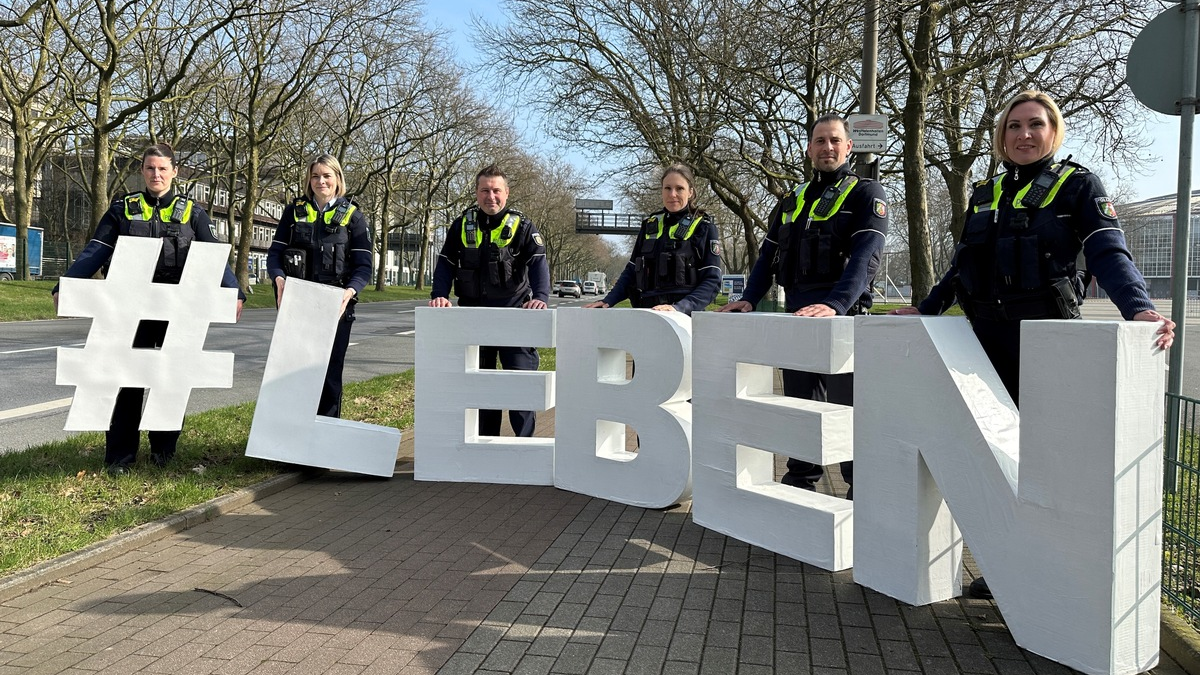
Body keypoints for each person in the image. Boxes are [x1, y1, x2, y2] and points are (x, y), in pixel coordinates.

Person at [891, 90, 1175, 599]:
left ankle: (1043, 576)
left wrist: (1138, 307)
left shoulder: (1078, 186)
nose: (1024, 134)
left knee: (1042, 465)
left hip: (1047, 341)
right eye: (1014, 126)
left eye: (1036, 125)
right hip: (981, 343)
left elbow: (1108, 251)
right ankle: (1006, 568)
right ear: (1001, 136)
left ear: (1053, 131)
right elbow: (961, 265)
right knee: (993, 459)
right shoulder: (985, 193)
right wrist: (926, 308)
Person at [717, 113, 889, 499]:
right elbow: (767, 258)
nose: (827, 148)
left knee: (848, 412)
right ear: (809, 149)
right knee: (799, 406)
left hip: (844, 320)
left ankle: (859, 490)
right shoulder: (792, 199)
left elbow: (867, 257)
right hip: (797, 318)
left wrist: (836, 304)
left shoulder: (866, 193)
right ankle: (799, 483)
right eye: (819, 141)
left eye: (834, 141)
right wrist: (749, 297)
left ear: (848, 147)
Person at [52, 143, 245, 475]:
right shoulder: (123, 209)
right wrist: (66, 285)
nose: (156, 174)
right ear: (142, 171)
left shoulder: (192, 213)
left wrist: (234, 291)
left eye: (162, 168)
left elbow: (214, 255)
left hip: (176, 308)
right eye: (150, 168)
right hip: (129, 309)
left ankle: (164, 454)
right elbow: (96, 249)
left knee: (169, 378)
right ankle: (120, 458)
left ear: (175, 171)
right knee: (126, 380)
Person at [428, 164, 550, 437]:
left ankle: (524, 447)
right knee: (480, 390)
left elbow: (539, 264)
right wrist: (439, 295)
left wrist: (540, 298)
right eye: (485, 190)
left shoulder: (523, 226)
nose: (490, 197)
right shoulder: (461, 225)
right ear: (476, 192)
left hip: (514, 318)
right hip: (473, 319)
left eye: (496, 191)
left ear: (506, 193)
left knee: (520, 388)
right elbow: (446, 263)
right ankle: (485, 446)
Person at [266, 154, 373, 419]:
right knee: (292, 374)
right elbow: (274, 255)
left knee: (329, 376)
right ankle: (292, 442)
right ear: (308, 180)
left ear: (338, 180)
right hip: (298, 305)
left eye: (327, 176)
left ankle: (323, 443)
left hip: (336, 306)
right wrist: (279, 279)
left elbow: (363, 266)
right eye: (315, 176)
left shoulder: (353, 217)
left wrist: (350, 291)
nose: (321, 181)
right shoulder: (293, 212)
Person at [583, 163, 721, 314]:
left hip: (685, 317)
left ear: (690, 192)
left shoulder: (704, 228)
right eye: (667, 188)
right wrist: (608, 300)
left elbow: (712, 281)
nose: (672, 194)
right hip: (647, 314)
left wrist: (680, 307)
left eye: (679, 188)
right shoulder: (650, 225)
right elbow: (631, 271)